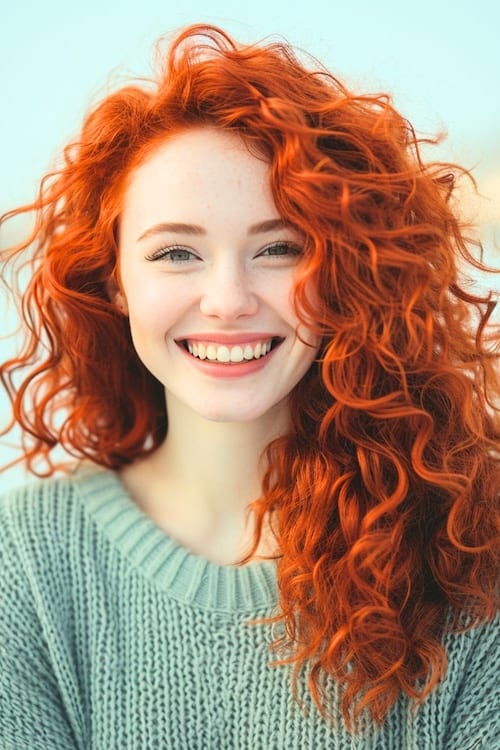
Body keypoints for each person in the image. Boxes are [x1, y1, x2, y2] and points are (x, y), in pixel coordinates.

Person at [0, 23, 498, 750]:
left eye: (278, 249)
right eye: (176, 252)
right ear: (114, 280)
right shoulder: (29, 565)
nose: (228, 299)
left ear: (343, 272)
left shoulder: (471, 544)